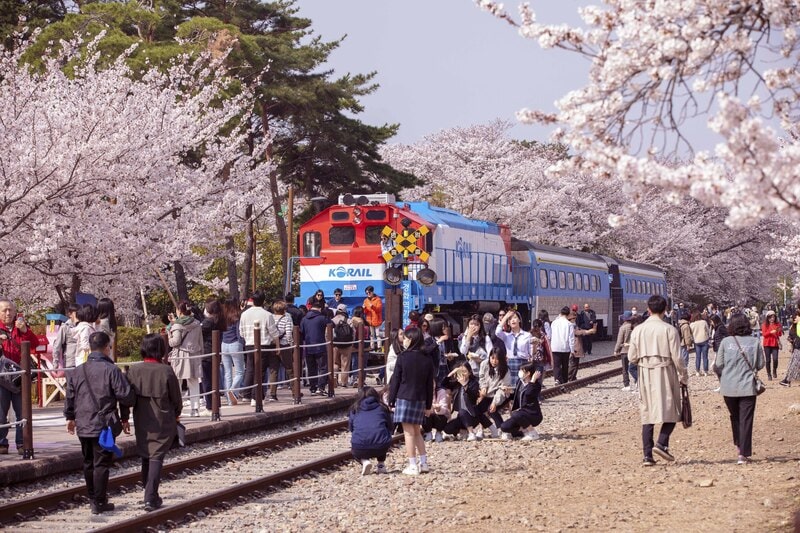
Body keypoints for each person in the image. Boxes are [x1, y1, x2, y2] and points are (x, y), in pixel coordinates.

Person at [64, 331, 133, 514]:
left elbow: (70, 396)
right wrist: (125, 416)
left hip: (83, 422)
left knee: (87, 462)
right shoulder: (112, 370)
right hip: (103, 425)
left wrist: (70, 417)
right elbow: (126, 396)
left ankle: (93, 498)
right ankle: (99, 502)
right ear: (106, 348)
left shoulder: (77, 371)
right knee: (101, 463)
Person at [627, 294, 689, 466]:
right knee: (672, 408)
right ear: (665, 310)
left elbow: (631, 357)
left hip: (645, 372)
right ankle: (662, 443)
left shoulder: (638, 330)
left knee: (647, 413)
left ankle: (647, 455)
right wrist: (683, 376)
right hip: (665, 371)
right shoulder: (669, 329)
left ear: (648, 309)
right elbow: (678, 357)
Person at [126, 333, 182, 511]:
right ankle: (150, 497)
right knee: (156, 456)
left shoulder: (133, 370)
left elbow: (127, 397)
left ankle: (149, 492)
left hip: (141, 417)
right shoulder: (166, 370)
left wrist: (124, 416)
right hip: (162, 418)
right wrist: (177, 414)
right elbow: (176, 398)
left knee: (145, 454)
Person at [713, 313, 765, 464]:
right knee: (746, 419)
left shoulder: (726, 342)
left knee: (735, 417)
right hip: (747, 387)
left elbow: (719, 364)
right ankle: (743, 453)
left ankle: (738, 443)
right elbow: (760, 364)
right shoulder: (754, 342)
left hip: (728, 387)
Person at [387, 327, 435, 475]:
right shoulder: (427, 358)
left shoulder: (403, 357)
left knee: (408, 433)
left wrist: (391, 399)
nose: (405, 340)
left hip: (404, 396)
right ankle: (424, 462)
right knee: (416, 431)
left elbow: (396, 380)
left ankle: (412, 464)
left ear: (412, 339)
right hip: (420, 398)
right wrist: (428, 404)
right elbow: (429, 385)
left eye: (407, 338)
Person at [0, 299, 40, 455]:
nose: (8, 313)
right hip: (2, 376)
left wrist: (25, 332)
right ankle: (2, 443)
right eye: (4, 310)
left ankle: (22, 442)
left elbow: (35, 344)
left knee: (22, 412)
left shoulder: (22, 327)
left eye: (10, 310)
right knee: (0, 412)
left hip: (19, 376)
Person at [239, 291, 280, 403]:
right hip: (263, 345)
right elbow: (274, 332)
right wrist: (277, 346)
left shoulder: (244, 314)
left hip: (248, 344)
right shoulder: (267, 314)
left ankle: (246, 395)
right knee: (260, 371)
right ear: (263, 301)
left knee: (250, 369)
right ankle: (256, 397)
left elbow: (241, 333)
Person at [167, 301, 204, 416]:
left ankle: (177, 408)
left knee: (177, 382)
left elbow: (175, 342)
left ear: (180, 311)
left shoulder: (177, 325)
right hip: (194, 353)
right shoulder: (197, 323)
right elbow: (200, 340)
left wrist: (169, 336)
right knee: (193, 381)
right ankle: (195, 409)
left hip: (180, 355)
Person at [349, 386, 393, 475]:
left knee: (354, 449)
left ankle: (365, 461)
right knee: (381, 435)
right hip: (382, 446)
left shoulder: (355, 408)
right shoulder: (382, 407)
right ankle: (381, 465)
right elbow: (390, 426)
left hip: (360, 447)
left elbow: (351, 428)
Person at [499, 362, 543, 440]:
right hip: (522, 414)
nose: (520, 372)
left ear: (528, 373)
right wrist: (508, 392)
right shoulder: (520, 382)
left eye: (522, 370)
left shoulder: (536, 385)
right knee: (504, 427)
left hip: (533, 415)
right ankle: (524, 431)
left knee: (516, 414)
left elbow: (528, 394)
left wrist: (532, 380)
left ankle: (533, 433)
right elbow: (516, 395)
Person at [476, 347, 511, 439]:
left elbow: (503, 388)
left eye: (497, 359)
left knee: (491, 410)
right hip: (487, 394)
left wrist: (495, 402)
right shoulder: (484, 364)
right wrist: (483, 387)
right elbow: (481, 377)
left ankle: (503, 430)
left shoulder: (505, 370)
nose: (494, 361)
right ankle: (492, 428)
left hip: (500, 395)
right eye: (492, 358)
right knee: (476, 410)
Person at [300, 300, 332, 396]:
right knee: (323, 367)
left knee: (311, 368)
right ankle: (321, 387)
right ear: (320, 309)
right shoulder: (322, 318)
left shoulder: (304, 319)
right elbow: (332, 325)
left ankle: (313, 388)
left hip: (308, 346)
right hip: (320, 346)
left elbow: (301, 332)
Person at [442, 364, 481, 441]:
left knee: (462, 411)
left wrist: (465, 384)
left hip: (472, 415)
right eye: (461, 371)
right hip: (460, 417)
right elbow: (443, 384)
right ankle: (464, 431)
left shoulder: (474, 382)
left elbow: (473, 396)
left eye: (465, 371)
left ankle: (471, 433)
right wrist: (453, 372)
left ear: (470, 373)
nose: (463, 374)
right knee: (447, 428)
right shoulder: (457, 383)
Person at [495, 310, 531, 386]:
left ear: (519, 320)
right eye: (510, 319)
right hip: (510, 364)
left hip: (523, 363)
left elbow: (531, 352)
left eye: (515, 318)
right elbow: (497, 332)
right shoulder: (506, 336)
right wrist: (505, 317)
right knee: (511, 388)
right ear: (508, 322)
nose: (513, 320)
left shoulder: (527, 335)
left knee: (523, 387)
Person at [200, 299, 225, 410]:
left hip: (206, 353)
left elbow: (199, 331)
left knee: (207, 381)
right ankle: (216, 403)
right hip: (215, 353)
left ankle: (210, 405)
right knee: (214, 379)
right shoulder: (219, 319)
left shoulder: (208, 322)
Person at [271, 300, 297, 401]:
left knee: (274, 370)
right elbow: (289, 333)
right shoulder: (287, 318)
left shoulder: (271, 318)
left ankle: (273, 393)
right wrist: (291, 344)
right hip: (284, 345)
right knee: (290, 369)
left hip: (273, 346)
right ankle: (295, 392)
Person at [221, 299, 245, 405]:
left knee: (227, 373)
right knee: (240, 371)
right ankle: (232, 389)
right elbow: (239, 334)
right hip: (235, 344)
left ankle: (229, 399)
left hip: (223, 344)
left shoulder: (223, 318)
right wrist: (242, 344)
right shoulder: (237, 317)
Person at [567, 310, 597, 381]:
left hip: (576, 346)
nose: (575, 319)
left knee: (575, 363)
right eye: (574, 318)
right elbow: (577, 332)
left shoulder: (573, 324)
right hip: (573, 347)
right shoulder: (569, 325)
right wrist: (588, 331)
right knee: (573, 363)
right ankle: (570, 377)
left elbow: (579, 330)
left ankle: (573, 377)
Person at [550, 306, 575, 386]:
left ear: (561, 313)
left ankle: (557, 379)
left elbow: (551, 335)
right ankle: (564, 381)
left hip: (555, 346)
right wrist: (572, 350)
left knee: (556, 365)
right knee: (565, 365)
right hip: (565, 347)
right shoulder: (569, 324)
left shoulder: (554, 322)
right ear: (568, 315)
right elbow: (571, 338)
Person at [332, 304, 354, 388]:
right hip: (346, 345)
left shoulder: (333, 320)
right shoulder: (348, 320)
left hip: (335, 345)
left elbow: (328, 333)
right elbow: (353, 333)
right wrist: (351, 342)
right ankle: (344, 382)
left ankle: (334, 378)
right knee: (345, 364)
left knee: (335, 363)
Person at [53, 303, 79, 370]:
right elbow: (57, 345)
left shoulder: (83, 326)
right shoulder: (65, 327)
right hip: (70, 361)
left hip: (82, 361)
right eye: (76, 313)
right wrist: (55, 363)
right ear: (70, 314)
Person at [614, 311, 636, 391]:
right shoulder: (635, 327)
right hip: (634, 350)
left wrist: (616, 350)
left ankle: (627, 385)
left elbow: (619, 341)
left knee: (625, 369)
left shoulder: (622, 328)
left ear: (624, 319)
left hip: (624, 351)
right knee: (634, 368)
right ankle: (637, 382)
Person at [779, 309, 800, 387]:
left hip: (798, 348)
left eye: (796, 316)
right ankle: (787, 380)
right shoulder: (794, 326)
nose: (794, 318)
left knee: (794, 364)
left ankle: (787, 380)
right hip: (796, 347)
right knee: (793, 364)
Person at [761, 310, 783, 381]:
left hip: (775, 343)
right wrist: (770, 332)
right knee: (768, 360)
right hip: (767, 344)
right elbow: (764, 334)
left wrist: (779, 330)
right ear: (767, 318)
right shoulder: (764, 324)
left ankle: (774, 370)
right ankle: (769, 374)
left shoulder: (777, 324)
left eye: (773, 317)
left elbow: (779, 334)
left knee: (775, 359)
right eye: (770, 317)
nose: (772, 319)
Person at [363, 285, 383, 351]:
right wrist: (364, 309)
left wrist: (372, 307)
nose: (368, 294)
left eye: (369, 292)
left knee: (378, 334)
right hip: (369, 320)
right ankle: (372, 347)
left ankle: (379, 347)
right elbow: (365, 312)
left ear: (372, 292)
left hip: (377, 320)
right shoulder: (366, 301)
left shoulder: (378, 299)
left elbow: (379, 310)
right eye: (367, 293)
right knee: (371, 335)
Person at [690, 311, 711, 376]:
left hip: (696, 341)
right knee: (705, 356)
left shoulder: (691, 324)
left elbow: (691, 334)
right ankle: (705, 371)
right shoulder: (704, 322)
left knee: (698, 357)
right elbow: (708, 331)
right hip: (704, 340)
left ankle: (697, 371)